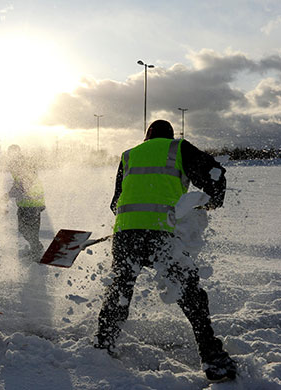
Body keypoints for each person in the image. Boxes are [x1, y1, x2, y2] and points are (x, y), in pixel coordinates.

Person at [94, 120, 236, 381]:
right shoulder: (178, 148)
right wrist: (212, 203)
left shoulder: (129, 155)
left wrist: (134, 221)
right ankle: (213, 359)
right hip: (162, 235)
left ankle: (103, 344)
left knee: (120, 290)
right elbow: (215, 173)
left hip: (126, 235)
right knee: (188, 292)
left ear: (146, 137)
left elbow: (116, 203)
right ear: (170, 136)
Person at [6, 144, 46, 259]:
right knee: (24, 229)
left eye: (13, 153)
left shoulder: (22, 164)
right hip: (26, 203)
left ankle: (37, 252)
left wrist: (8, 195)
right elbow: (18, 183)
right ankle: (36, 249)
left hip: (32, 203)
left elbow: (25, 183)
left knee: (30, 230)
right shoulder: (15, 165)